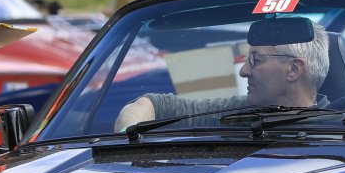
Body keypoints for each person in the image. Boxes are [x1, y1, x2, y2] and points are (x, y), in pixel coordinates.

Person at [115, 16, 331, 129]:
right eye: (247, 60)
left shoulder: (339, 132)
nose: (244, 71)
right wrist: (127, 138)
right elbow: (152, 106)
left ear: (293, 69)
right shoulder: (239, 114)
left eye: (255, 60)